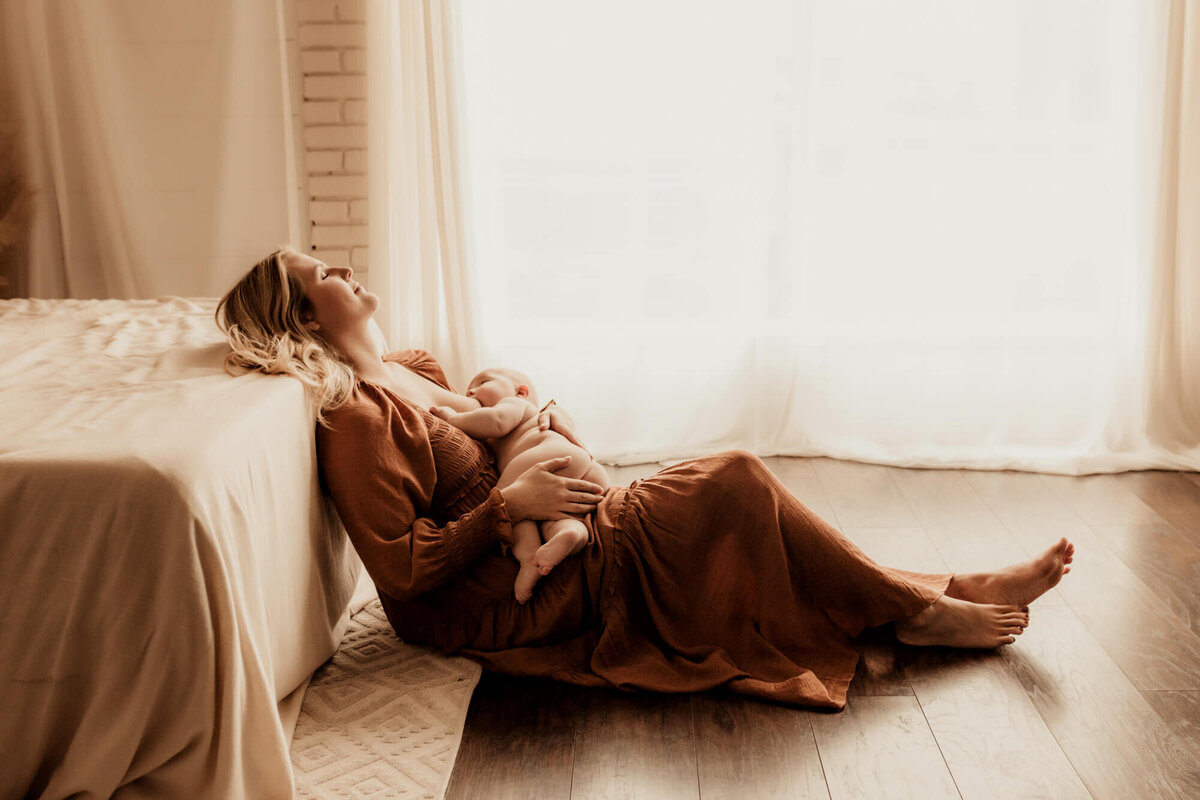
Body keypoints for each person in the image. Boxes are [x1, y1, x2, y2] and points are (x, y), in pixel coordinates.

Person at [215, 247, 1075, 710]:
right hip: (518, 586)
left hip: (566, 527)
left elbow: (499, 436)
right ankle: (922, 608)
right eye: (319, 274)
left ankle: (935, 591)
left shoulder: (411, 366)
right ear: (302, 316)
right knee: (734, 479)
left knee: (740, 506)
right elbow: (403, 579)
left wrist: (543, 428)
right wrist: (511, 507)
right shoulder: (358, 422)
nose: (342, 266)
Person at [430, 368, 608, 604]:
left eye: (483, 381)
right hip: (587, 471)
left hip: (545, 455)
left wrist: (452, 419)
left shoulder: (514, 403)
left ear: (521, 392)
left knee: (505, 499)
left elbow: (496, 422)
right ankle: (571, 534)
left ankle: (528, 559)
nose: (470, 391)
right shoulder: (521, 417)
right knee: (555, 520)